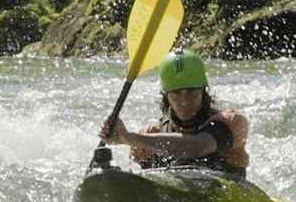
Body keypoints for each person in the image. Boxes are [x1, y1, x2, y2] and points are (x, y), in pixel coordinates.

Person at [99, 49, 249, 177]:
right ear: (166, 96)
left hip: (226, 200)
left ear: (204, 92)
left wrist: (128, 138)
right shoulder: (151, 134)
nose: (184, 101)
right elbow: (138, 176)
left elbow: (196, 146)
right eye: (176, 93)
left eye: (191, 92)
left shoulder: (231, 122)